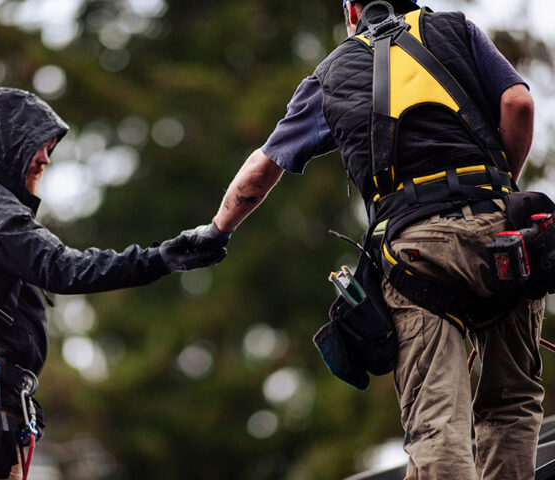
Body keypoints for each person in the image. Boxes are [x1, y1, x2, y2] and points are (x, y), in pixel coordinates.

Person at [186, 1, 543, 478]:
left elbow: (259, 172)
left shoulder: (330, 74)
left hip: (418, 252)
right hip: (504, 235)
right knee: (511, 404)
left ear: (353, 8)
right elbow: (518, 103)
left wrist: (216, 231)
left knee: (436, 424)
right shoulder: (455, 28)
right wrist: (499, 189)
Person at [0, 87, 225, 480]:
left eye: (50, 148)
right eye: (38, 145)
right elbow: (60, 267)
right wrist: (162, 257)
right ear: (6, 142)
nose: (45, 159)